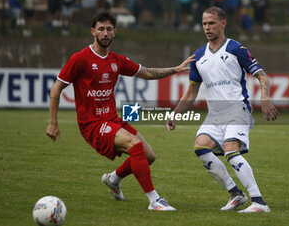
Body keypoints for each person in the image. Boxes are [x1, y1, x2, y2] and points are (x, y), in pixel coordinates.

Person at [46, 11, 194, 211]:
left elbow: (148, 73)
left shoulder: (117, 60)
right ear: (93, 32)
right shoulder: (80, 58)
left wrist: (175, 69)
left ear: (115, 32)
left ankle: (113, 179)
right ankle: (154, 201)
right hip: (92, 125)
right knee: (135, 146)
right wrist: (53, 123)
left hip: (112, 120)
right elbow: (57, 87)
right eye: (101, 29)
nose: (105, 33)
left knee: (149, 156)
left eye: (109, 29)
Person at [166, 6, 278, 213]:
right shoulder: (198, 56)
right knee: (200, 147)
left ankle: (259, 202)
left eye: (211, 23)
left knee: (231, 150)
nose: (207, 27)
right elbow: (191, 92)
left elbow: (262, 76)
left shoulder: (236, 49)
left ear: (223, 23)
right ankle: (235, 193)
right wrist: (174, 114)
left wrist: (265, 98)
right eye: (204, 24)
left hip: (237, 108)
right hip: (215, 114)